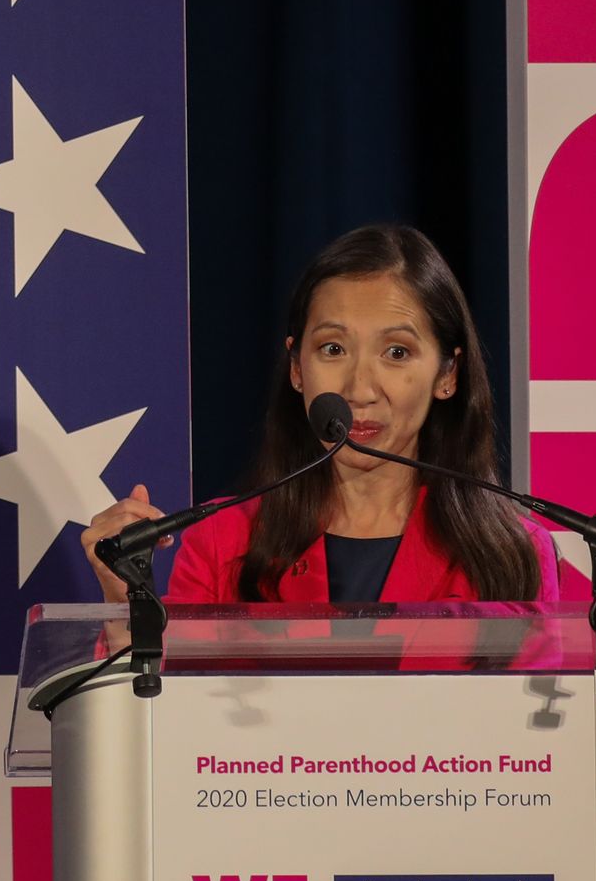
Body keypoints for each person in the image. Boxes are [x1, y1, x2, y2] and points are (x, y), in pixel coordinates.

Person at [81, 223, 562, 605]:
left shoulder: (511, 555)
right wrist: (126, 610)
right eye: (333, 348)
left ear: (447, 374)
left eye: (396, 353)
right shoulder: (222, 542)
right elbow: (167, 698)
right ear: (297, 368)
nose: (360, 390)